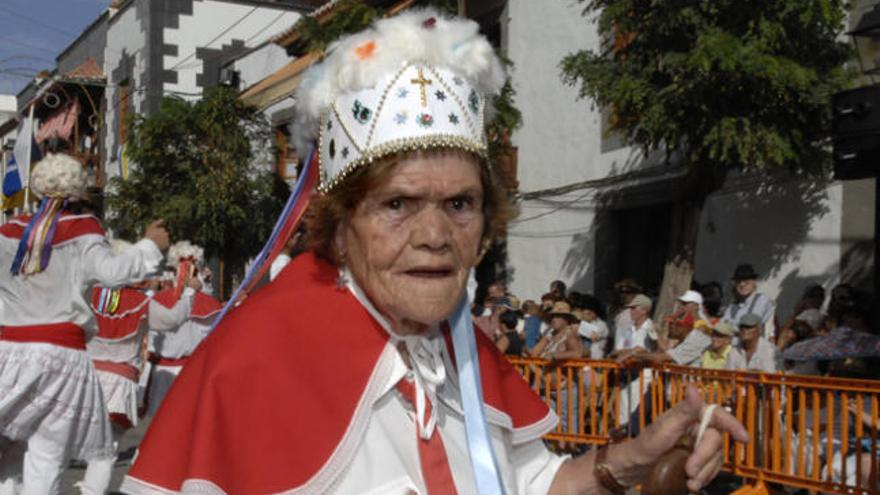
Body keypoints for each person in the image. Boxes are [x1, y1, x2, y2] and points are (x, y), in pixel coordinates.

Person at [122, 10, 746, 494]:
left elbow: (527, 483)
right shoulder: (249, 361)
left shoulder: (456, 344)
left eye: (460, 204)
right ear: (340, 228)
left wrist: (628, 460)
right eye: (397, 204)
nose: (435, 235)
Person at [0, 153, 169, 494]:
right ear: (77, 191)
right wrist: (150, 244)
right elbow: (114, 273)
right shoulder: (84, 229)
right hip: (61, 357)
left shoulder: (7, 232)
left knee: (9, 448)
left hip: (10, 353)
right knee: (47, 454)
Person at [78, 240, 201, 495]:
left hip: (86, 378)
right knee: (106, 449)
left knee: (57, 446)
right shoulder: (140, 301)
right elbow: (172, 320)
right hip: (119, 381)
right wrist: (189, 293)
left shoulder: (88, 293)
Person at [145, 241, 223, 417]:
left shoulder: (157, 302)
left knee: (167, 421)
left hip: (182, 371)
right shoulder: (209, 304)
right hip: (173, 372)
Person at [722, 263, 777, 340]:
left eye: (746, 281)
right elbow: (722, 326)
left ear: (754, 282)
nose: (742, 284)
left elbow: (751, 324)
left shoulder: (762, 299)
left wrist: (731, 326)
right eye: (738, 281)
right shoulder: (732, 306)